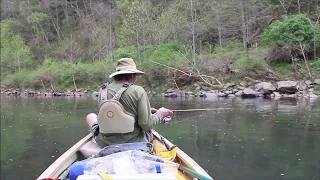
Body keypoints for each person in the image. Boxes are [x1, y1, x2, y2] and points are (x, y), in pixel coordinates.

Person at [86, 58, 173, 147]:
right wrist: (161, 114)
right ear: (132, 75)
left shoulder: (102, 90)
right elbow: (146, 125)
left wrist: (148, 110)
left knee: (91, 116)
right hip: (134, 142)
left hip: (104, 143)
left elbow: (113, 115)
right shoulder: (138, 91)